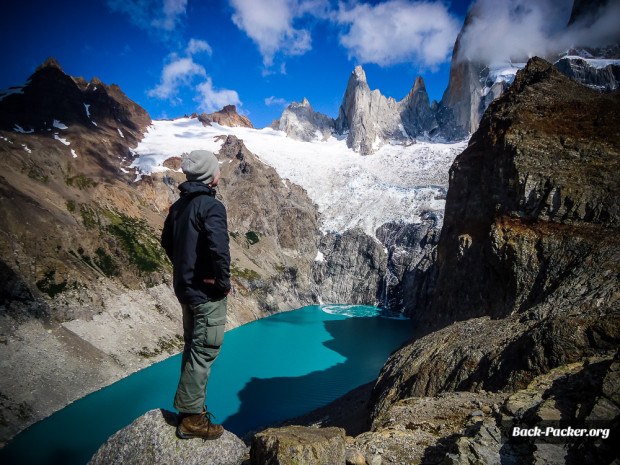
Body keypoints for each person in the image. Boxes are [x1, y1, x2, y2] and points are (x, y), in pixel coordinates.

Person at [161, 149, 231, 440]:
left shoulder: (178, 207)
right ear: (211, 176)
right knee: (205, 350)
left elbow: (167, 243)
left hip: (186, 291)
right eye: (217, 169)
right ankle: (192, 419)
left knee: (193, 347)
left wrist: (186, 271)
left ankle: (191, 409)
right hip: (206, 294)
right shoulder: (210, 207)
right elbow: (219, 249)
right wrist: (221, 282)